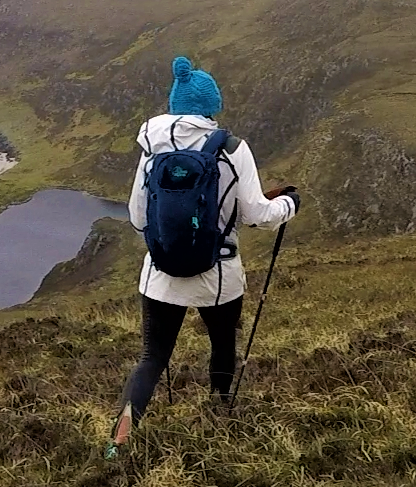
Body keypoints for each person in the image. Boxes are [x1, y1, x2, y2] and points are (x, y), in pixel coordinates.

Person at [109, 55, 299, 453]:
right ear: (212, 106)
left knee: (152, 357)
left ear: (175, 104)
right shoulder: (231, 148)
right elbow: (257, 215)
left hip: (161, 275)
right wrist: (290, 205)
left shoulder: (151, 149)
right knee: (222, 345)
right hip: (219, 274)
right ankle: (220, 415)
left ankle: (120, 438)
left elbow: (137, 217)